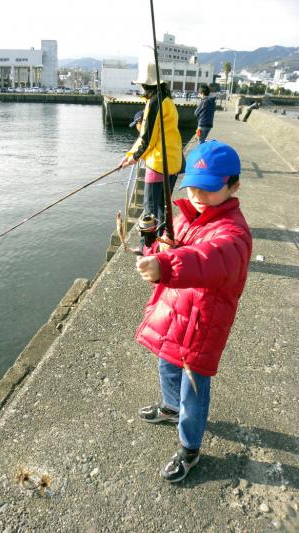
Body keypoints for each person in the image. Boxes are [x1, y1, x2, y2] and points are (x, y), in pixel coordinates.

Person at [135, 140, 252, 483]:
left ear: (234, 186)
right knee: (166, 367)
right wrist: (159, 246)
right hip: (174, 314)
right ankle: (170, 408)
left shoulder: (235, 233)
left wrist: (167, 265)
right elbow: (177, 249)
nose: (198, 195)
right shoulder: (189, 215)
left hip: (201, 326)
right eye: (193, 187)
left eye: (210, 188)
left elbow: (211, 259)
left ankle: (190, 447)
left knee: (194, 389)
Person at [120, 62, 182, 233]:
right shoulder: (168, 101)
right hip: (173, 162)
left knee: (150, 210)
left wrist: (133, 158)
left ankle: (147, 248)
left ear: (145, 84)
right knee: (163, 207)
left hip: (158, 164)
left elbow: (147, 139)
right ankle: (163, 242)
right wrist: (130, 154)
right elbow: (150, 136)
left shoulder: (155, 103)